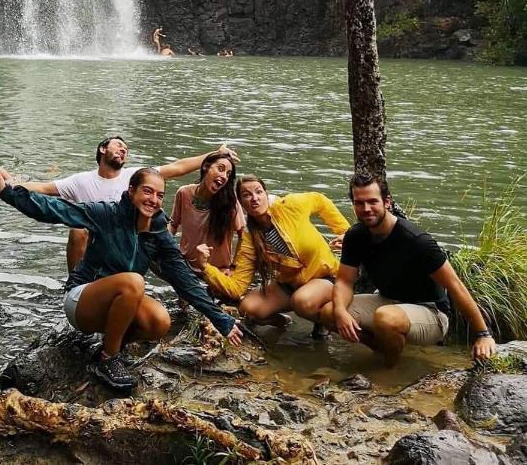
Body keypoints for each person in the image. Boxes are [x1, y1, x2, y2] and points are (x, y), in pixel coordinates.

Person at [0, 165, 243, 391]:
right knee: (134, 281)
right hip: (81, 301)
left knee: (160, 321)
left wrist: (221, 319)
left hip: (120, 302)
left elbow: (183, 278)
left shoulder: (158, 232)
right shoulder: (107, 214)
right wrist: (7, 193)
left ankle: (105, 350)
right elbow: (56, 209)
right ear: (131, 191)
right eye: (147, 191)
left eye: (160, 195)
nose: (153, 200)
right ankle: (109, 359)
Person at [320, 175, 497, 367]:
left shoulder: (416, 240)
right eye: (359, 203)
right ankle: (383, 349)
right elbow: (345, 281)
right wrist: (340, 312)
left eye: (373, 202)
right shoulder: (356, 236)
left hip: (431, 311)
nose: (366, 209)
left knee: (386, 318)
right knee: (330, 312)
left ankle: (389, 371)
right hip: (389, 300)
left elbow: (455, 286)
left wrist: (482, 334)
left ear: (387, 202)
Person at [9, 137, 241, 270]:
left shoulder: (136, 177)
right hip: (95, 245)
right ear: (102, 149)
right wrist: (5, 187)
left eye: (126, 149)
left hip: (128, 242)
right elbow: (44, 188)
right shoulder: (80, 181)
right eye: (118, 145)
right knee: (78, 229)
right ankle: (75, 283)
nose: (123, 150)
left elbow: (178, 167)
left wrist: (214, 154)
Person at [196, 175, 349, 330]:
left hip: (326, 276)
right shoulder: (250, 239)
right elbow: (237, 287)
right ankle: (285, 323)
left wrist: (345, 232)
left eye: (258, 192)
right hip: (292, 283)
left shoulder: (289, 205)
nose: (254, 198)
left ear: (266, 194)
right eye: (247, 195)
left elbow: (319, 200)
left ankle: (325, 325)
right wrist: (205, 267)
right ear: (241, 204)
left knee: (302, 301)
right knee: (248, 309)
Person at [170, 150, 245, 277]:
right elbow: (173, 224)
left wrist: (234, 268)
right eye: (220, 169)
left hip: (218, 271)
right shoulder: (184, 193)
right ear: (205, 167)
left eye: (228, 174)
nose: (224, 176)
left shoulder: (230, 202)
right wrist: (164, 248)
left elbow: (244, 236)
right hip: (186, 267)